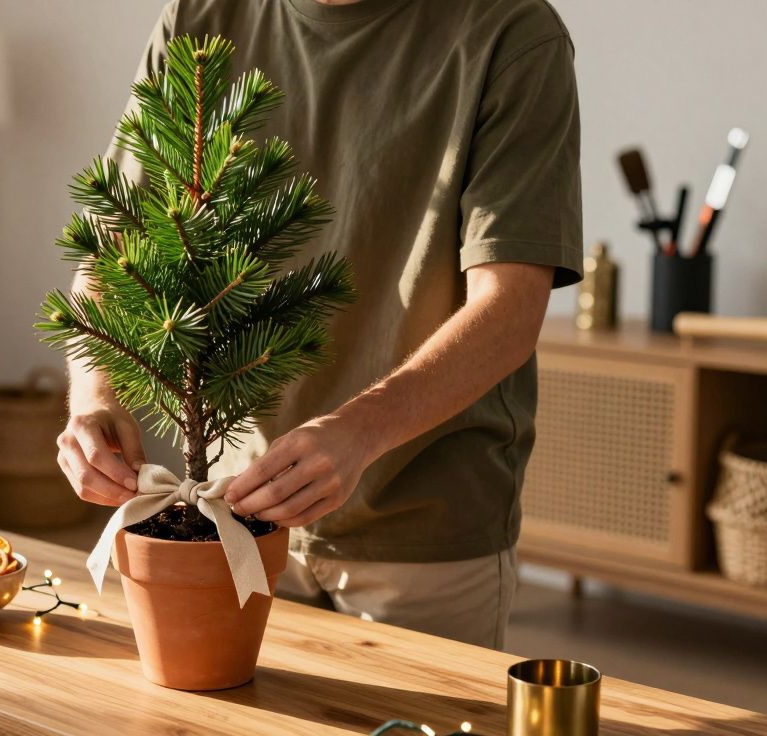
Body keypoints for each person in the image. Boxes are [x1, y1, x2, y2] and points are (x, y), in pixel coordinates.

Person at [57, 0, 582, 649]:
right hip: (235, 507)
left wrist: (360, 432)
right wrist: (93, 396)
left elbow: (509, 309)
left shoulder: (510, 32)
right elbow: (115, 245)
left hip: (425, 527)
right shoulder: (202, 19)